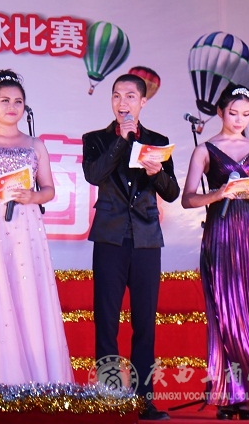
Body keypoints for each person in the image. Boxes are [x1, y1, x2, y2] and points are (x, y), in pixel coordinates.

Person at [0, 69, 73, 384]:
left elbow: (49, 190)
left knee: (30, 296)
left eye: (18, 101)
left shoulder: (36, 145)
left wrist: (33, 196)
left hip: (27, 227)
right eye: (4, 100)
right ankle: (3, 382)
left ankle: (39, 381)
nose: (11, 106)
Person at [181, 84, 249, 420]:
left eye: (246, 114)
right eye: (233, 113)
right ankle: (230, 395)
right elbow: (187, 199)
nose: (239, 120)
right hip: (222, 233)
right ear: (220, 112)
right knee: (227, 312)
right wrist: (217, 194)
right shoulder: (205, 150)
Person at [82, 73, 180, 421]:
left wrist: (156, 173)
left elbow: (172, 192)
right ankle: (110, 397)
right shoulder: (96, 139)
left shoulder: (158, 142)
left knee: (145, 323)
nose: (122, 103)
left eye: (130, 96)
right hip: (109, 238)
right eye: (116, 96)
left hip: (146, 239)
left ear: (143, 102)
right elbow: (94, 175)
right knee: (106, 321)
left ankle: (143, 400)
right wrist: (122, 140)